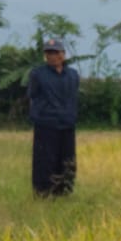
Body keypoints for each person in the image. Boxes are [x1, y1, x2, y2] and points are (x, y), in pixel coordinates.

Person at [28, 37, 80, 196]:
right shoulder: (38, 74)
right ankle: (43, 192)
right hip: (46, 124)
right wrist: (39, 114)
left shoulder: (72, 75)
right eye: (49, 53)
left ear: (63, 54)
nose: (52, 56)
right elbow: (33, 95)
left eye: (55, 52)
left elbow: (73, 96)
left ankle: (64, 191)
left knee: (67, 160)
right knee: (44, 160)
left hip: (67, 124)